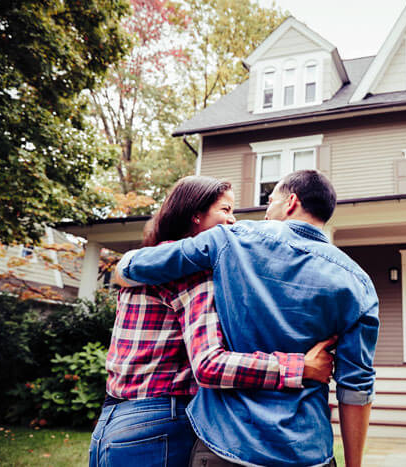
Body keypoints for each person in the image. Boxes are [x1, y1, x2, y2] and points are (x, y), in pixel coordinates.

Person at [116, 170, 379, 467]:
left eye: (270, 201)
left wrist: (122, 268)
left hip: (226, 445)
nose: (265, 212)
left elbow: (135, 266)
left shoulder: (230, 240)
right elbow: (356, 387)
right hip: (307, 450)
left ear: (290, 201)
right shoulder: (359, 283)